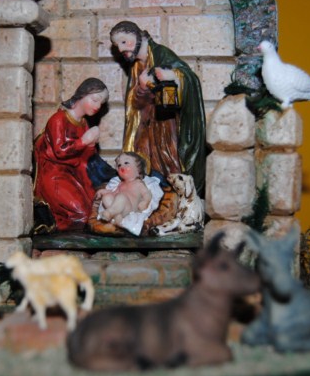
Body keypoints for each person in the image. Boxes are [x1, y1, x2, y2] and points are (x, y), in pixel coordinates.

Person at [110, 21, 206, 196]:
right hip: (146, 126)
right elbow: (135, 103)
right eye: (117, 46)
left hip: (167, 125)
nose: (121, 49)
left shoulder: (162, 54)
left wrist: (172, 76)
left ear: (137, 35)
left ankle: (175, 195)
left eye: (124, 42)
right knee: (144, 161)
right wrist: (142, 88)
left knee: (169, 161)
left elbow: (189, 78)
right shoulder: (136, 66)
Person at [33, 78, 109, 232]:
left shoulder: (84, 123)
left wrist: (91, 146)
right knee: (81, 216)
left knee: (94, 211)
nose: (97, 106)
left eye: (101, 103)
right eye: (95, 100)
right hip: (54, 175)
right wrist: (84, 141)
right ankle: (51, 224)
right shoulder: (58, 119)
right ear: (82, 95)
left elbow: (85, 159)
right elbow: (60, 151)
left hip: (75, 175)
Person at [96, 152, 153, 224]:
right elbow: (114, 193)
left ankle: (110, 212)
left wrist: (145, 202)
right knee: (107, 197)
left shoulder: (139, 183)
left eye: (126, 163)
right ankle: (117, 216)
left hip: (130, 208)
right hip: (119, 207)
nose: (121, 166)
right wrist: (103, 191)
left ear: (138, 169)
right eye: (119, 165)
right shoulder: (121, 184)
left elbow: (147, 194)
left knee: (121, 197)